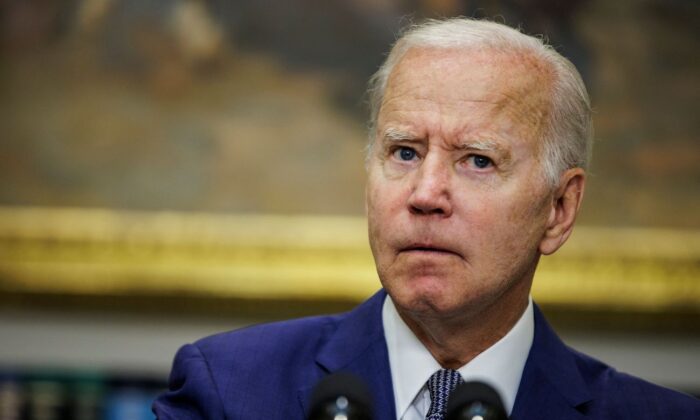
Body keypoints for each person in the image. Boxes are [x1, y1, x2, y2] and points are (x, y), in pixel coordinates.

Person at [152, 18, 699, 419]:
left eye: (477, 161)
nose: (425, 194)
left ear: (559, 210)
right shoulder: (227, 390)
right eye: (405, 152)